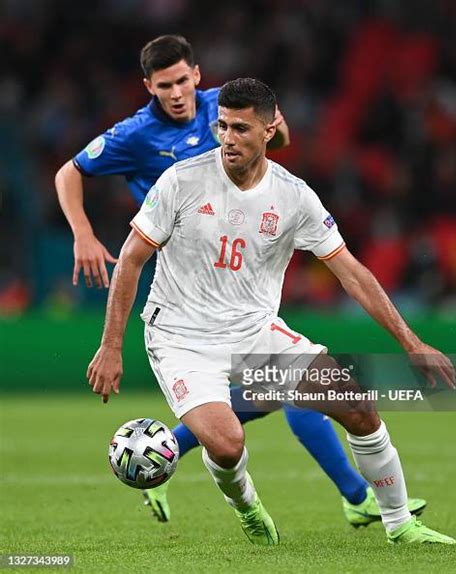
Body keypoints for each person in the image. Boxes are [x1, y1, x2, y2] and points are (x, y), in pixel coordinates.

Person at [56, 35, 424, 528]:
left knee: (334, 399)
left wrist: (410, 340)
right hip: (184, 303)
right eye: (222, 129)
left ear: (199, 76)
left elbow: (350, 268)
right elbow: (81, 188)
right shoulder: (148, 147)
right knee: (232, 439)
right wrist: (84, 239)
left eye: (184, 80)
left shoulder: (244, 129)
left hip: (247, 306)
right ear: (149, 87)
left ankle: (387, 516)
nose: (225, 135)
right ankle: (252, 502)